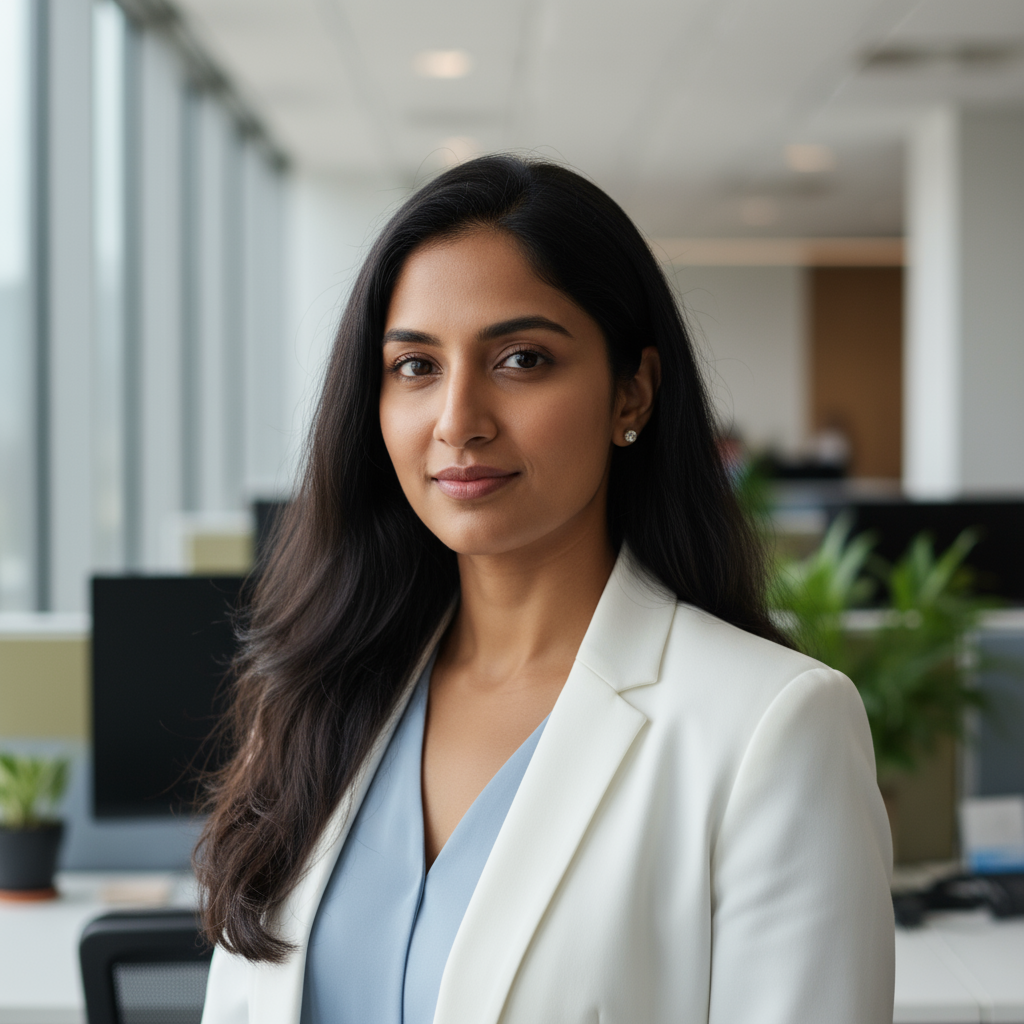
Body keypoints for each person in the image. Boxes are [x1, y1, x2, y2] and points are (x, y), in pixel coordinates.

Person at [197, 155, 894, 1024]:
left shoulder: (769, 727)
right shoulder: (312, 698)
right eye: (416, 366)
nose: (458, 421)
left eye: (521, 359)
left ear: (630, 392)